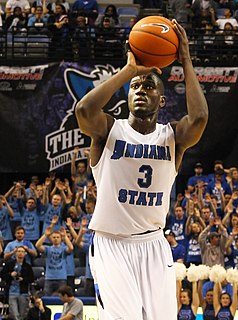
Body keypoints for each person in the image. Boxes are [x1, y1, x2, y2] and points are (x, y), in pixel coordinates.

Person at [75, 19, 208, 319]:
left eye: (148, 86)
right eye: (135, 87)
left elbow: (199, 118)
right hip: (112, 244)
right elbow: (84, 111)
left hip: (153, 244)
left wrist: (185, 59)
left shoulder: (172, 136)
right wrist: (129, 71)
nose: (140, 90)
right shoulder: (109, 130)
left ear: (161, 99)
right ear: (127, 95)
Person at [1, 246, 34, 320]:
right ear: (15, 253)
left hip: (23, 292)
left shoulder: (27, 266)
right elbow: (2, 275)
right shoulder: (9, 264)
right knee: (15, 314)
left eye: (22, 251)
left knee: (22, 315)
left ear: (25, 254)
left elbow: (31, 279)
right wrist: (10, 274)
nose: (20, 253)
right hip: (12, 292)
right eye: (18, 251)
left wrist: (23, 279)